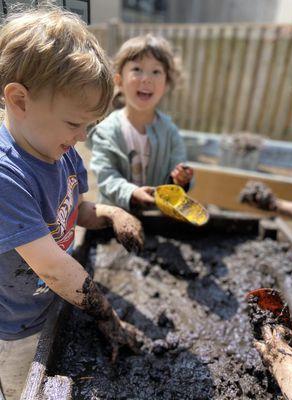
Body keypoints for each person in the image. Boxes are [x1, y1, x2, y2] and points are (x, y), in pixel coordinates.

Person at [0, 6, 144, 400]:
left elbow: (73, 210)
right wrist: (108, 316)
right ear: (19, 100)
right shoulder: (6, 176)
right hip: (17, 325)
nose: (81, 136)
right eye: (73, 123)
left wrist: (112, 213)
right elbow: (53, 268)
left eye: (88, 125)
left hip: (54, 303)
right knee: (21, 388)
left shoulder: (58, 151)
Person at [88, 34, 194, 211]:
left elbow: (179, 166)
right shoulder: (106, 132)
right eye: (137, 69)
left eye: (156, 71)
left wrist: (181, 179)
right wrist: (131, 193)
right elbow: (105, 175)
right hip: (114, 217)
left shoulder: (170, 131)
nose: (147, 78)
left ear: (166, 83)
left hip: (156, 218)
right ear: (119, 81)